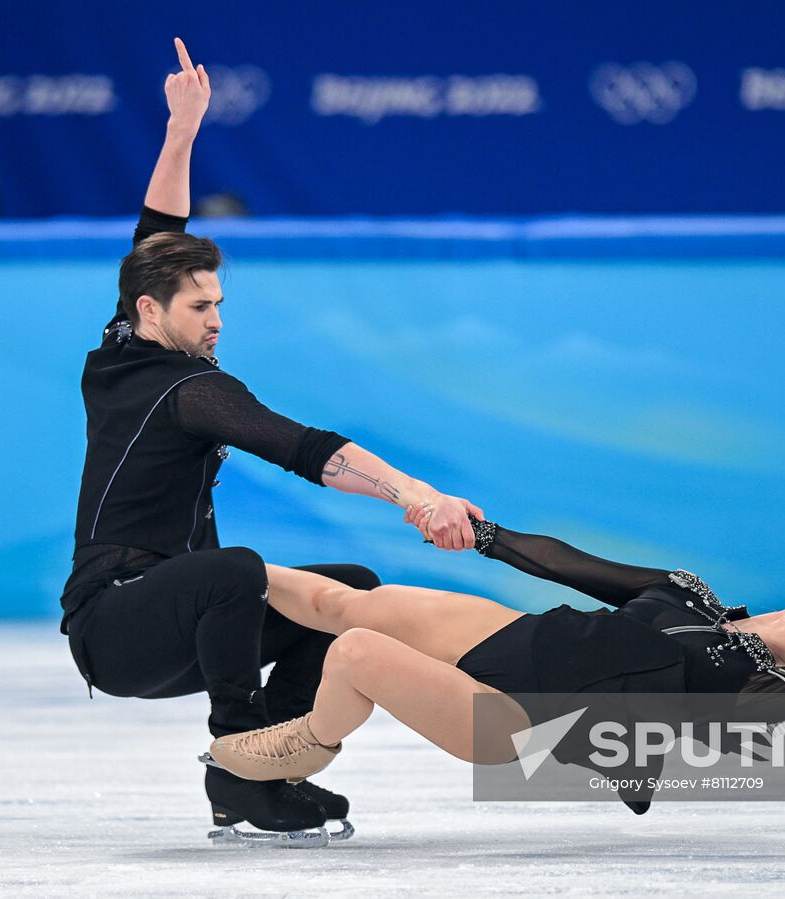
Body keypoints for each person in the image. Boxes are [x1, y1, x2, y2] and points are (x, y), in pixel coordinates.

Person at [59, 39, 483, 849]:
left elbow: (157, 234)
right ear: (153, 315)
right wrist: (415, 495)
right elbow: (309, 448)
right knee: (236, 570)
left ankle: (263, 775)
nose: (216, 319)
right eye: (198, 308)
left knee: (351, 591)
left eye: (219, 301)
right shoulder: (188, 388)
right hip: (115, 627)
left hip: (180, 619)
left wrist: (182, 129)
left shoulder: (129, 343)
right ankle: (241, 756)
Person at [208, 517, 785, 811]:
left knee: (356, 652)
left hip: (525, 723)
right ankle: (200, 571)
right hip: (510, 636)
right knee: (352, 603)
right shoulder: (686, 589)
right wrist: (490, 535)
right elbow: (578, 567)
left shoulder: (751, 691)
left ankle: (307, 743)